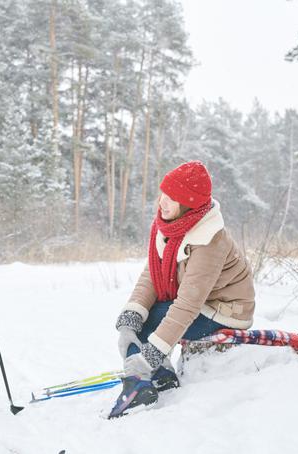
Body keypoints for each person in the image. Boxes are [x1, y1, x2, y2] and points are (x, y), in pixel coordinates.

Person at [109, 161, 255, 418]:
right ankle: (161, 375)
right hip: (202, 304)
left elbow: (189, 303)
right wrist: (132, 316)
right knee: (140, 319)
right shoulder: (170, 226)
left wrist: (151, 353)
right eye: (162, 194)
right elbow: (152, 276)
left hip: (224, 311)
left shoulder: (210, 238)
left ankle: (139, 382)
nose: (162, 203)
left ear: (188, 203)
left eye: (172, 198)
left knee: (153, 320)